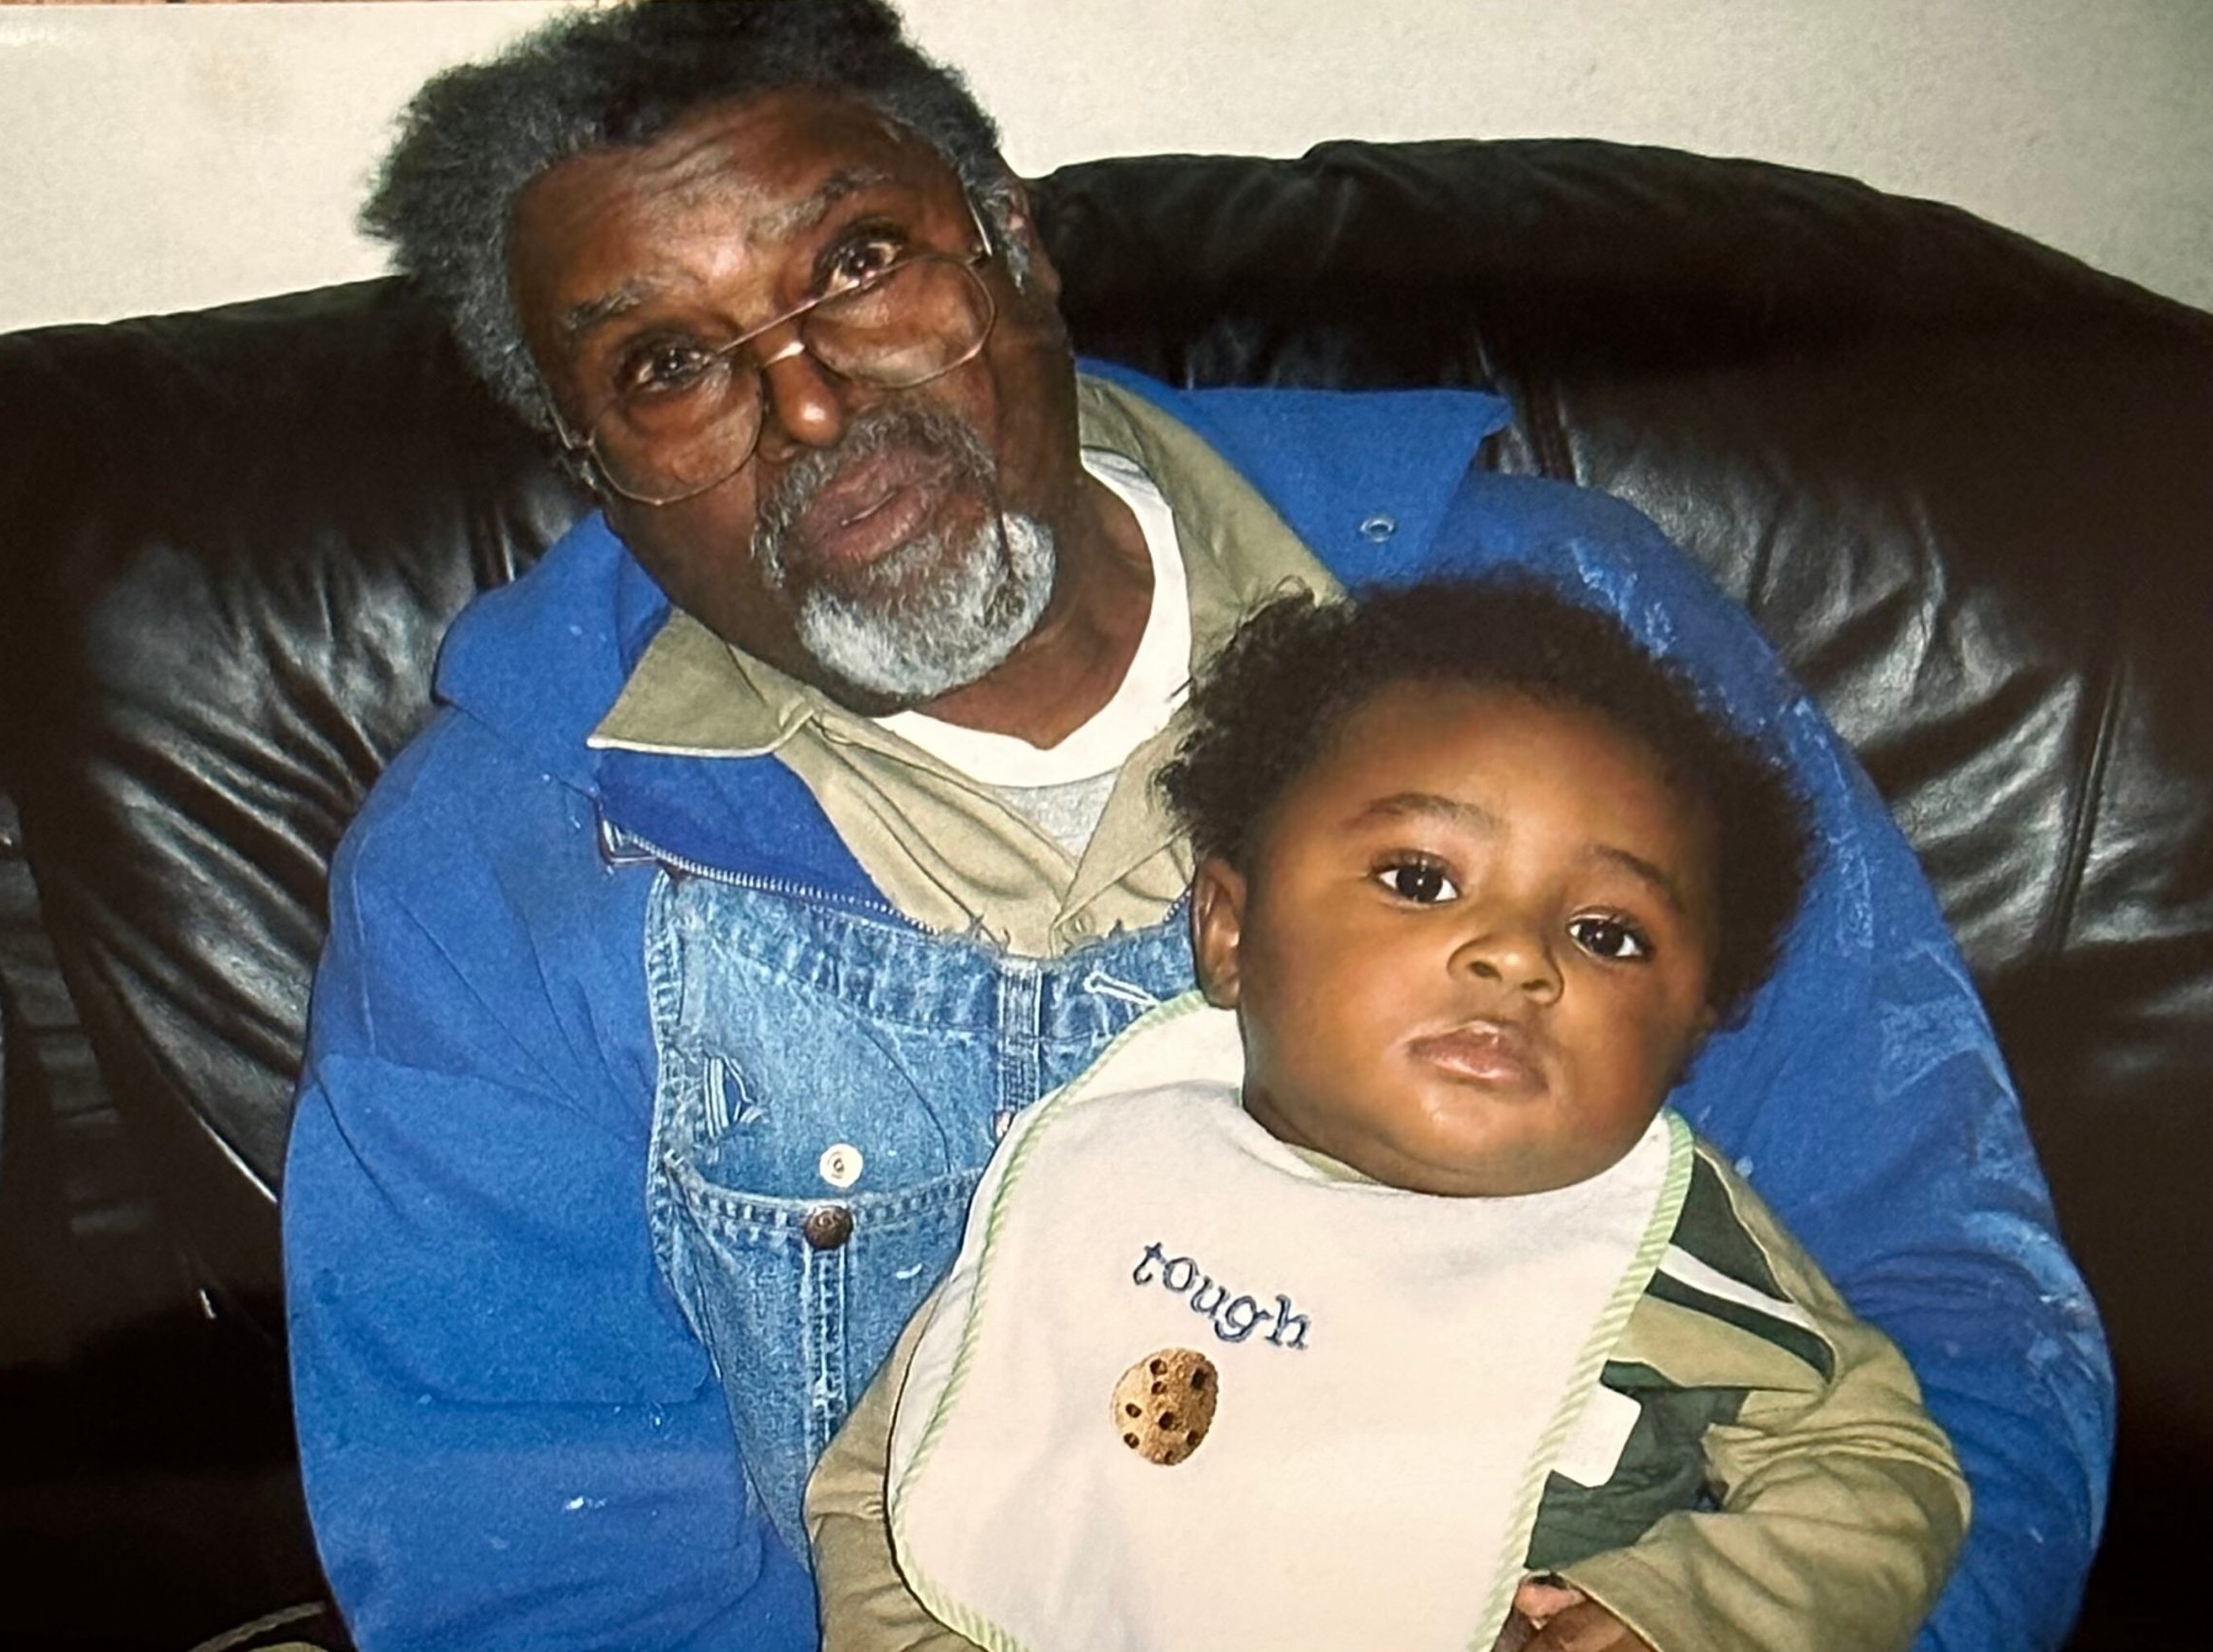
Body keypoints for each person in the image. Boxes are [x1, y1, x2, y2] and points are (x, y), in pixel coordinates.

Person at [277, 3, 2108, 1648]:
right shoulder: (498, 871)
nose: (811, 401)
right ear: (593, 469)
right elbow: (531, 1575)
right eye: (666, 367)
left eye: (860, 261)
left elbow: (1951, 1313)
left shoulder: (1561, 635)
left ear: (1014, 242)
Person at [805, 581, 1968, 1652]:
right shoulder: (1117, 1171)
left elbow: (1875, 1465)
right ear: (1229, 931)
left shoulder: (1673, 1241)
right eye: (1419, 880)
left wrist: (1677, 1612)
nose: (1517, 956)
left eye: (1606, 934)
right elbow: (884, 1495)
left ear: (1691, 1030)